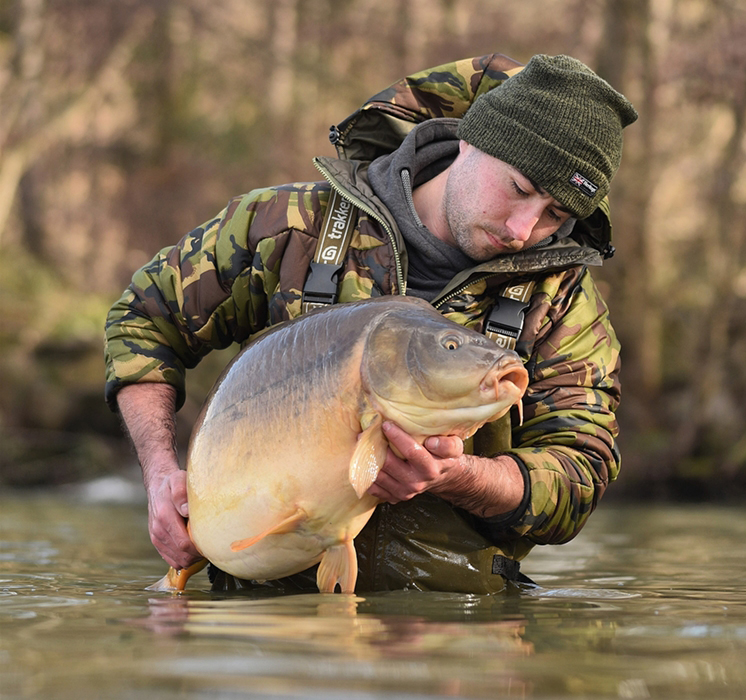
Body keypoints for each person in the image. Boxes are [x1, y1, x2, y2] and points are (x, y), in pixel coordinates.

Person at [105, 53, 638, 593]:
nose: (525, 228)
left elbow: (580, 473)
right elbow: (144, 320)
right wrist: (158, 474)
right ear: (471, 141)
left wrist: (460, 479)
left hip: (453, 641)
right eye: (520, 190)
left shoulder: (563, 300)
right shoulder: (288, 228)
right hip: (259, 629)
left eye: (556, 216)